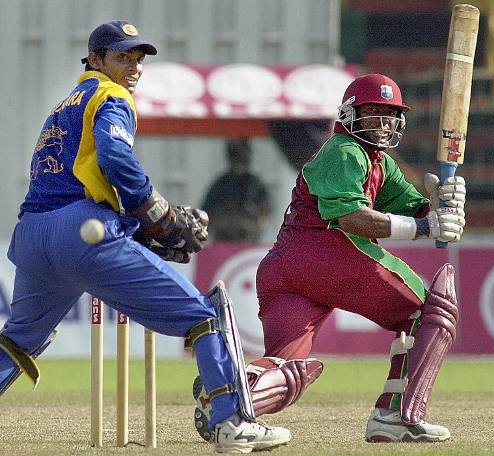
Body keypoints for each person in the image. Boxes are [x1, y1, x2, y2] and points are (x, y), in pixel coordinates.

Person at [0, 21, 291, 453]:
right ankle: (232, 422)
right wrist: (157, 213)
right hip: (81, 234)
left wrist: (136, 227)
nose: (133, 67)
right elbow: (115, 156)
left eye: (137, 60)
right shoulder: (111, 95)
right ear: (95, 60)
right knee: (204, 313)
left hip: (34, 236)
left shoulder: (62, 106)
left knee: (20, 340)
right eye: (122, 57)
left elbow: (74, 175)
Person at [193, 73, 466, 443]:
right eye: (373, 113)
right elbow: (354, 218)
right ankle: (396, 416)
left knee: (288, 367)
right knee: (432, 310)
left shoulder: (377, 162)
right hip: (327, 250)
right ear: (350, 114)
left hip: (285, 266)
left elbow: (416, 207)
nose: (383, 123)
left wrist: (442, 201)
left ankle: (227, 405)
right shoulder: (345, 150)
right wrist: (427, 227)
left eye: (389, 115)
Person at [202, 139, 271, 242]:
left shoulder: (255, 184)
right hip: (223, 237)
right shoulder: (220, 183)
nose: (239, 160)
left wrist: (255, 217)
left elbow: (265, 212)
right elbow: (206, 212)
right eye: (236, 156)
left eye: (242, 156)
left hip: (247, 236)